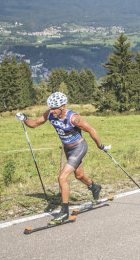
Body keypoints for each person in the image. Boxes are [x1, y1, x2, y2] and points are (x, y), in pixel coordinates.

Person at [17, 92, 109, 224]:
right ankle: (94, 187)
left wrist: (100, 146)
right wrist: (25, 118)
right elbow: (34, 124)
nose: (52, 111)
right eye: (51, 108)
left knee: (62, 177)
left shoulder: (73, 118)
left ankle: (64, 212)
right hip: (68, 149)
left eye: (55, 108)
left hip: (79, 147)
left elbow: (91, 130)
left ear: (63, 106)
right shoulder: (49, 114)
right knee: (79, 175)